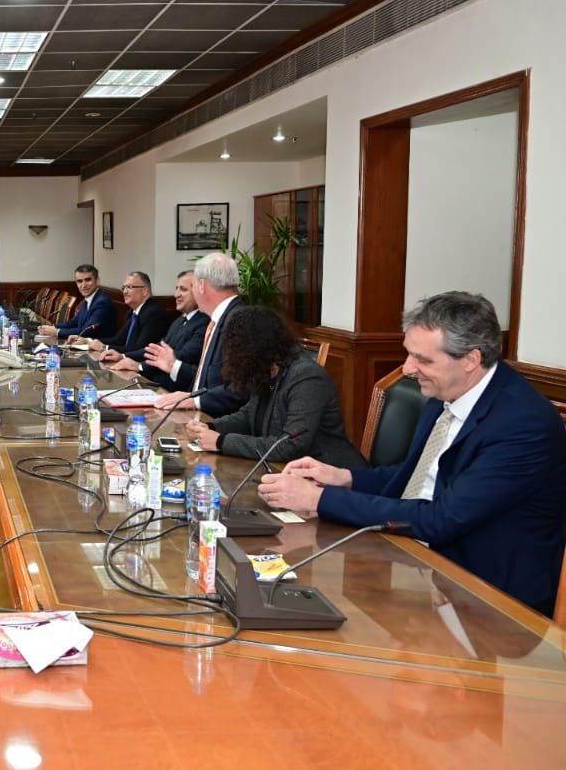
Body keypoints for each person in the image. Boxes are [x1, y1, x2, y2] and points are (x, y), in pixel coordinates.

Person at [258, 292, 566, 616]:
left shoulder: (522, 424)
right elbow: (414, 476)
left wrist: (319, 499)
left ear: (471, 360)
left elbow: (442, 519)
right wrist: (344, 478)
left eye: (423, 359)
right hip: (413, 559)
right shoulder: (443, 395)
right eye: (408, 354)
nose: (407, 369)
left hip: (488, 600)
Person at [184, 306, 365, 470]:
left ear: (254, 348)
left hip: (332, 476)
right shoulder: (266, 371)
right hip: (285, 471)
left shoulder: (307, 377)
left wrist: (221, 442)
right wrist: (211, 427)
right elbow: (248, 415)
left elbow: (291, 445)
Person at [152, 252, 248, 418]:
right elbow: (210, 379)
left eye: (193, 286)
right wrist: (174, 366)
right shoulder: (220, 318)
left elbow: (241, 389)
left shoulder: (240, 321)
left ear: (201, 286)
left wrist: (195, 401)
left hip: (219, 424)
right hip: (198, 418)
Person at [114, 270, 209, 390]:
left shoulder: (204, 322)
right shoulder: (180, 320)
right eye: (176, 289)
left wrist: (139, 366)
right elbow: (156, 349)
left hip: (175, 391)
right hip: (156, 384)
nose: (176, 295)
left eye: (183, 289)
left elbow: (180, 356)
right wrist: (123, 356)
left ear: (198, 292)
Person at [78, 271, 169, 362]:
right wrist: (88, 341)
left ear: (145, 291)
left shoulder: (154, 314)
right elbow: (118, 340)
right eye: (124, 287)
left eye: (129, 287)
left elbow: (138, 350)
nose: (124, 291)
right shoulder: (132, 312)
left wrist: (104, 347)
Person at [37, 264, 116, 340]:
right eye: (79, 281)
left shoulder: (102, 302)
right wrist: (52, 327)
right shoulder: (88, 299)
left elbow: (87, 331)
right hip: (82, 343)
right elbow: (74, 322)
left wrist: (57, 332)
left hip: (96, 347)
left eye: (88, 280)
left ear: (97, 281)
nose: (83, 285)